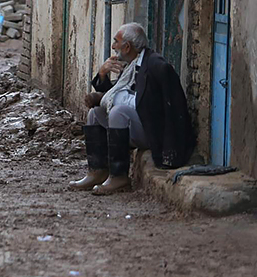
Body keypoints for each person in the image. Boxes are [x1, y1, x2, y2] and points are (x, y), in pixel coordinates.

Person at [70, 22, 196, 195]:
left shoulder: (156, 66)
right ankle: (98, 171)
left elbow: (173, 109)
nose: (113, 46)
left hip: (151, 132)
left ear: (127, 46)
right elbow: (114, 95)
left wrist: (170, 151)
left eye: (116, 41)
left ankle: (119, 177)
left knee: (118, 112)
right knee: (95, 113)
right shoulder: (131, 66)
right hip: (133, 126)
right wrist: (101, 75)